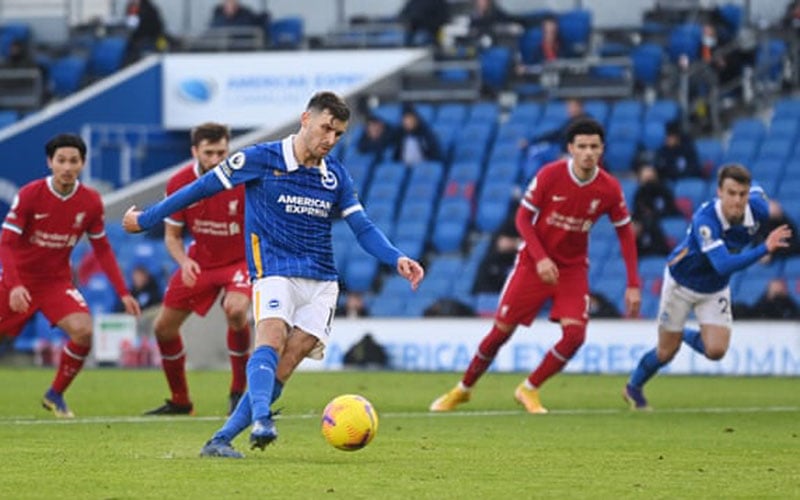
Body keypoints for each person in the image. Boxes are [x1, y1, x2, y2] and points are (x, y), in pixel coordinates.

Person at [122, 91, 424, 457]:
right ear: (305, 119)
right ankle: (263, 418)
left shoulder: (335, 177)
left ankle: (220, 440)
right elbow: (199, 188)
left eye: (339, 134)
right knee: (272, 334)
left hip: (323, 281)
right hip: (274, 269)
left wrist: (396, 258)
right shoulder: (259, 159)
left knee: (290, 359)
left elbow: (362, 227)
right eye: (326, 128)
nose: (330, 139)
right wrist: (146, 219)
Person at [430, 118, 641, 414]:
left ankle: (529, 388)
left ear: (602, 149)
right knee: (500, 333)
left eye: (594, 147)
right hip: (533, 263)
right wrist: (540, 257)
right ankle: (462, 389)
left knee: (575, 336)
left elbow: (624, 232)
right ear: (570, 148)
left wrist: (633, 283)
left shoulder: (608, 188)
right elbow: (522, 219)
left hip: (572, 268)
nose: (588, 153)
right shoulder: (550, 175)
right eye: (582, 146)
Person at [623, 164, 792, 410]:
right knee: (665, 352)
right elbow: (722, 264)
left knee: (716, 351)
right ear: (719, 193)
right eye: (731, 193)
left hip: (714, 287)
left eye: (742, 194)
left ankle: (683, 334)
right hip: (681, 282)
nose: (737, 200)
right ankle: (633, 387)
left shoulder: (758, 208)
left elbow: (764, 200)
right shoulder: (706, 219)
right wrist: (764, 248)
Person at [0, 134, 141, 418]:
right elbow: (6, 242)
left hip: (55, 283)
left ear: (83, 163)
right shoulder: (30, 194)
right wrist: (14, 285)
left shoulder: (90, 201)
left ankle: (55, 395)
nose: (67, 167)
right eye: (61, 160)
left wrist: (123, 292)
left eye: (73, 161)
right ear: (50, 162)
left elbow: (102, 249)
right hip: (17, 280)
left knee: (84, 331)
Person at [140, 122, 252, 417]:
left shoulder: (241, 180)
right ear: (195, 151)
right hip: (199, 263)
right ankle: (180, 401)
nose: (216, 160)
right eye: (209, 153)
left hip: (239, 262)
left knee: (237, 311)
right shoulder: (179, 182)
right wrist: (184, 262)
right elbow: (172, 236)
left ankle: (239, 390)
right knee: (163, 328)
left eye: (222, 152)